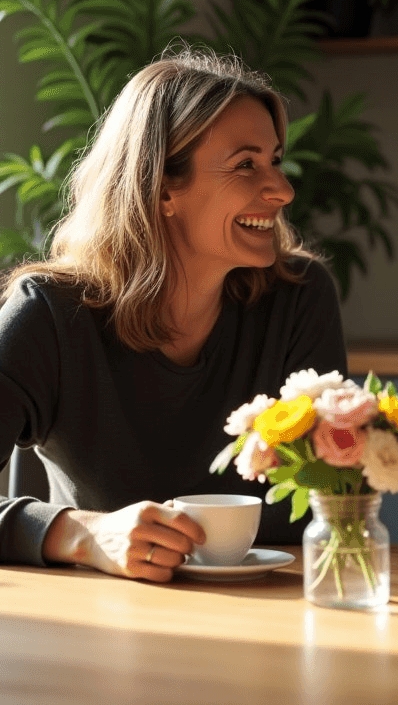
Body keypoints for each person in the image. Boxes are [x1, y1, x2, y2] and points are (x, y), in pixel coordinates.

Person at [0, 48, 347, 582]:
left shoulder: (299, 298)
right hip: (103, 623)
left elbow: (339, 501)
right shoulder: (49, 313)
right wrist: (84, 534)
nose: (282, 190)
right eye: (246, 164)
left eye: (275, 160)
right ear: (162, 187)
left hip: (278, 615)